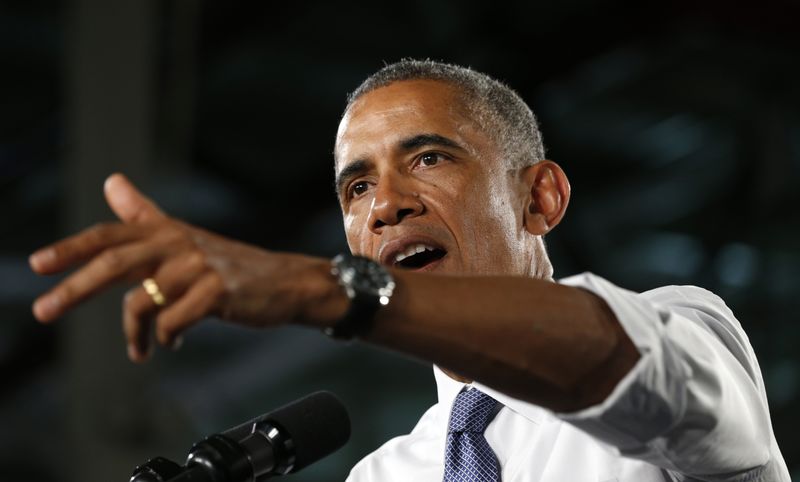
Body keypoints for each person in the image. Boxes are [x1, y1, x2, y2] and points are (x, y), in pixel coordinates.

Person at [29, 60, 789, 481]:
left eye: (428, 158)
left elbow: (611, 358)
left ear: (540, 197)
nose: (385, 205)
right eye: (356, 187)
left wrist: (323, 290)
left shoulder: (689, 330)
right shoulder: (386, 476)